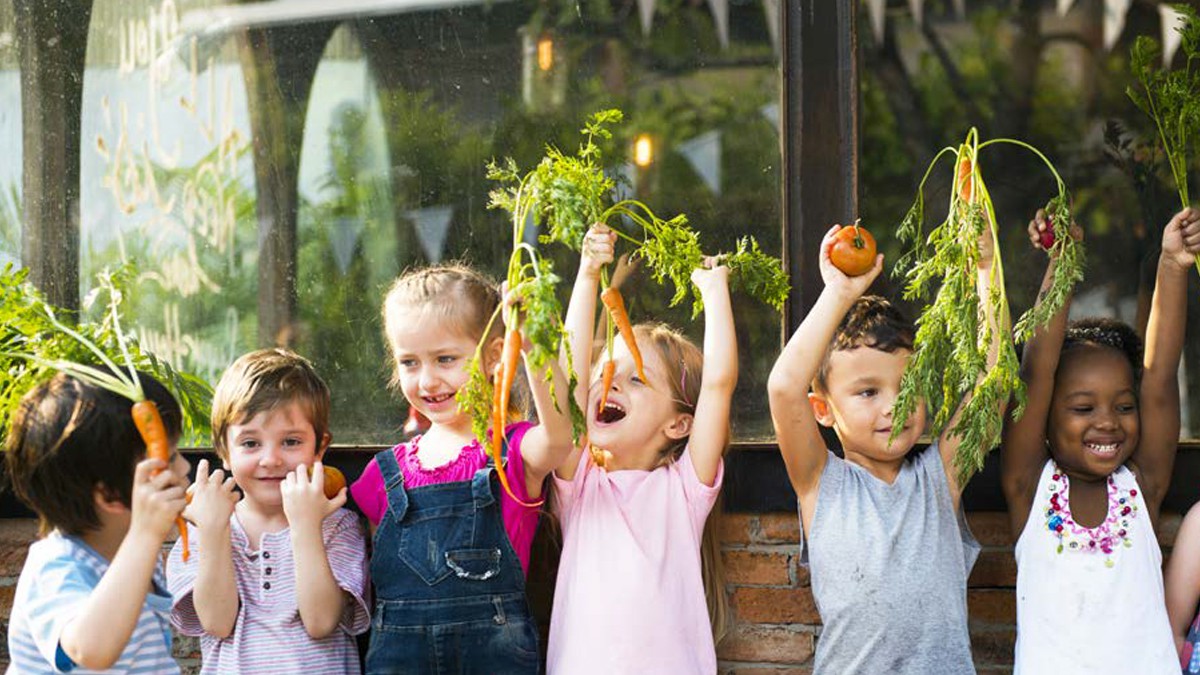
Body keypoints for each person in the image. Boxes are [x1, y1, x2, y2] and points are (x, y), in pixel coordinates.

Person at [768, 223, 1002, 673]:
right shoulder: (822, 482)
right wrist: (837, 293)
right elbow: (783, 387)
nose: (895, 406)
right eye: (868, 392)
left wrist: (986, 270)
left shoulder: (940, 477)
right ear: (822, 409)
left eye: (908, 385)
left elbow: (990, 387)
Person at [348, 264, 575, 674]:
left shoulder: (513, 453)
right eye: (409, 363)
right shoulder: (382, 475)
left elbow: (560, 436)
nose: (428, 380)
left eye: (445, 359)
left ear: (492, 357)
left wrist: (531, 345)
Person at [1003, 207, 1199, 674]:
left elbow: (1158, 377)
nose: (1107, 422)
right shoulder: (1029, 488)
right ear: (1046, 418)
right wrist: (1062, 262)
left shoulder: (1141, 485)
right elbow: (1036, 370)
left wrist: (1171, 265)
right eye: (1083, 408)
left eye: (1123, 407)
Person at [545, 224, 735, 675]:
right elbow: (568, 380)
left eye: (636, 379)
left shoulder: (685, 490)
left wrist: (714, 293)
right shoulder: (581, 485)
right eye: (606, 373)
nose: (609, 383)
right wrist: (588, 273)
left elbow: (719, 384)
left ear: (678, 424)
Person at [168, 348, 370, 673]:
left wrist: (305, 526)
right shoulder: (203, 527)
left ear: (320, 448)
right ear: (224, 451)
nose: (271, 459)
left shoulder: (336, 524)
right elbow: (217, 622)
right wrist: (213, 530)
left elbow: (321, 621)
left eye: (290, 442)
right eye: (250, 443)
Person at [5, 371, 190, 673]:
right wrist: (144, 536)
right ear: (111, 495)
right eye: (167, 459)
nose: (183, 466)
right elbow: (91, 651)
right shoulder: (56, 566)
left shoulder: (131, 551)